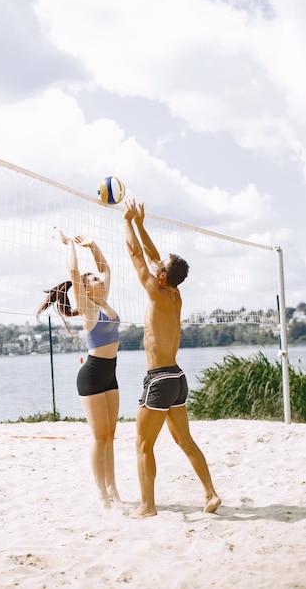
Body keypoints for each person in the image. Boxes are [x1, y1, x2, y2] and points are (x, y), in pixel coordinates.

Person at [123, 199, 221, 517]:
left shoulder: (154, 289)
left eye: (160, 268)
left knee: (142, 445)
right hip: (177, 379)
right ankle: (211, 494)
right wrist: (141, 223)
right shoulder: (175, 293)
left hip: (160, 379)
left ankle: (147, 506)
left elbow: (139, 256)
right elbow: (152, 257)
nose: (156, 266)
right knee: (185, 440)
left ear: (162, 277)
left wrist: (125, 221)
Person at [37, 231, 121, 509]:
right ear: (85, 289)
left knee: (110, 435)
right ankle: (101, 492)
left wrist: (93, 246)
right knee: (99, 437)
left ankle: (113, 487)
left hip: (111, 372)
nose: (99, 279)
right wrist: (71, 245)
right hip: (93, 374)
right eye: (93, 279)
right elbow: (73, 272)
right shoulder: (87, 308)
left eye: (98, 279)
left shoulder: (104, 303)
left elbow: (106, 268)